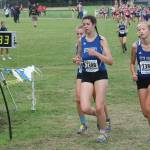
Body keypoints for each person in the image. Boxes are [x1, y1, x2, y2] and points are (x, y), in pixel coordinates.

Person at [74, 15, 113, 143]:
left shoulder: (101, 40)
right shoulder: (81, 40)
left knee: (99, 105)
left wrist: (96, 53)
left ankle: (102, 133)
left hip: (100, 75)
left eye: (88, 24)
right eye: (84, 24)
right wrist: (77, 59)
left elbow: (110, 61)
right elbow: (79, 56)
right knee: (85, 107)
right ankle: (100, 116)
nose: (85, 26)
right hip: (86, 75)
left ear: (94, 24)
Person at [130, 22, 150, 143]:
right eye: (139, 29)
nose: (141, 31)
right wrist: (133, 73)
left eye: (143, 29)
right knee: (145, 112)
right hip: (141, 80)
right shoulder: (135, 46)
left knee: (148, 107)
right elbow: (132, 63)